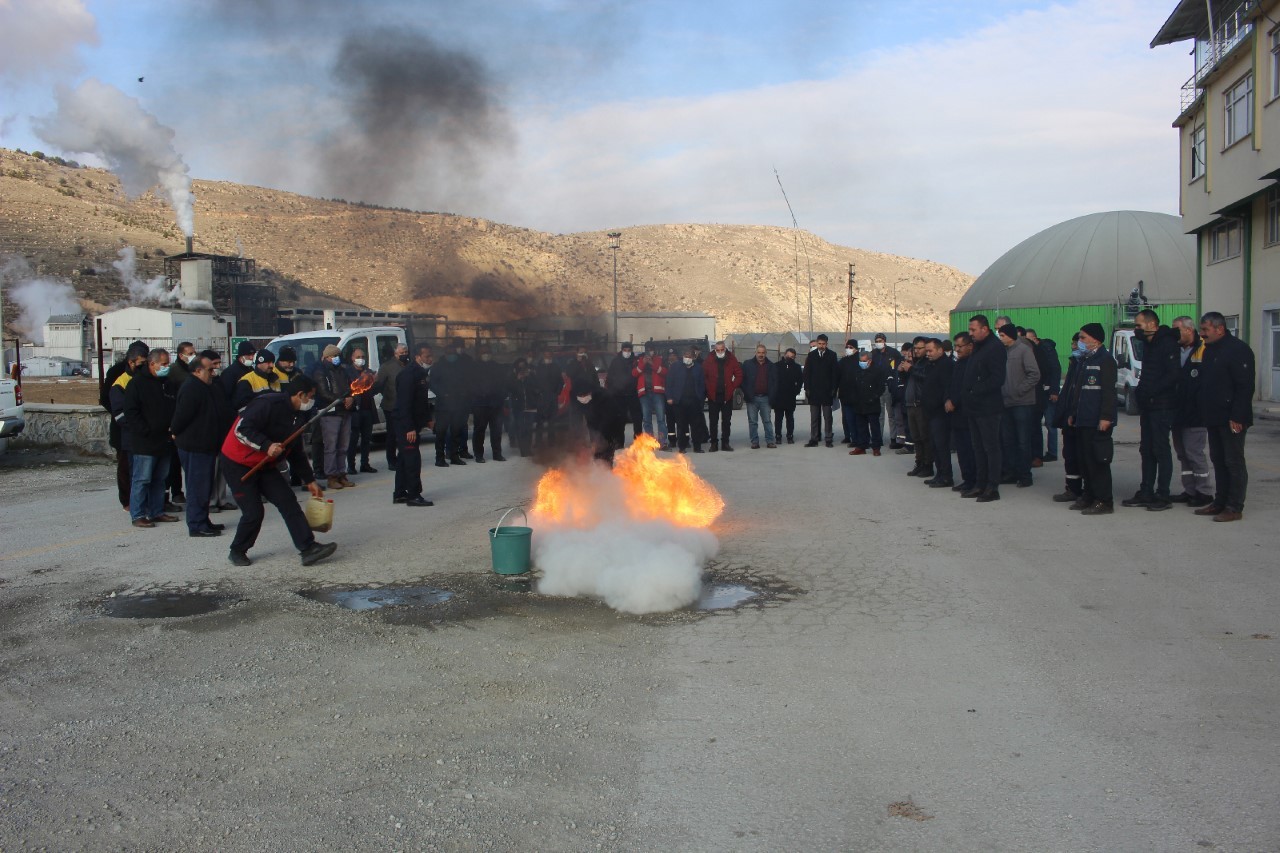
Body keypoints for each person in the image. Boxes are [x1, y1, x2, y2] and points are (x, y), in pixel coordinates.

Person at [220, 375, 337, 566]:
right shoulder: (267, 404)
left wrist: (310, 480)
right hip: (238, 463)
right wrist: (266, 446)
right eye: (311, 396)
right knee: (254, 512)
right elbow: (241, 429)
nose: (312, 402)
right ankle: (237, 550)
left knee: (288, 502)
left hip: (265, 465)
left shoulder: (299, 415)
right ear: (300, 395)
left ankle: (308, 548)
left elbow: (295, 450)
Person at [1193, 312, 1255, 522]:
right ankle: (1220, 502)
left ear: (1219, 329)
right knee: (1218, 460)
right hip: (1214, 416)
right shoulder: (1210, 351)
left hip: (1232, 418)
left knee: (1233, 461)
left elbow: (1244, 387)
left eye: (1205, 330)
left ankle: (1234, 506)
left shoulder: (1238, 350)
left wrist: (1237, 416)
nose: (1202, 334)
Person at [1121, 309, 1181, 512]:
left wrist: (1153, 392)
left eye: (1139, 325)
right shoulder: (1149, 344)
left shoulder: (1167, 343)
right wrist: (1141, 394)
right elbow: (1147, 373)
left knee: (1160, 449)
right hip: (1148, 405)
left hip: (1162, 405)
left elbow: (1173, 375)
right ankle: (1146, 490)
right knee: (1146, 450)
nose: (1136, 329)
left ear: (1152, 325)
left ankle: (1163, 494)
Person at [170, 354, 231, 537]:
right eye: (209, 370)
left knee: (205, 486)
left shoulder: (205, 386)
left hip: (206, 445)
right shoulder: (191, 388)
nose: (213, 373)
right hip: (195, 446)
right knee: (197, 486)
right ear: (197, 371)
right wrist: (175, 431)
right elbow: (181, 417)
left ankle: (204, 520)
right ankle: (196, 524)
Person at [1064, 323, 1117, 515]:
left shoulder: (1105, 360)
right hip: (1083, 419)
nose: (1080, 342)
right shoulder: (1085, 361)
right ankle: (1089, 495)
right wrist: (1073, 414)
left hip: (1097, 422)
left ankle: (1104, 500)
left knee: (1098, 462)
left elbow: (1109, 393)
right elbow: (1078, 392)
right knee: (1085, 461)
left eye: (1083, 338)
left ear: (1095, 340)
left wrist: (1106, 417)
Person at [122, 349, 178, 528]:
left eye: (168, 364)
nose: (166, 367)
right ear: (152, 364)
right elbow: (131, 412)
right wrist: (145, 430)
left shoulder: (166, 383)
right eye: (163, 364)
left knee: (160, 479)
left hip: (164, 439)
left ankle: (157, 511)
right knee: (142, 479)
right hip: (145, 441)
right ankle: (138, 514)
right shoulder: (137, 384)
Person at [962, 315, 1007, 502]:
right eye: (970, 330)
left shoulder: (994, 348)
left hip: (988, 407)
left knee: (991, 447)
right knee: (977, 447)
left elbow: (997, 379)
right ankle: (980, 484)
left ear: (985, 329)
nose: (970, 334)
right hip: (974, 407)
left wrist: (975, 389)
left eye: (973, 330)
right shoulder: (978, 348)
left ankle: (992, 486)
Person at [1169, 316, 1214, 507]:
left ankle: (1204, 492)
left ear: (1188, 330)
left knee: (1194, 453)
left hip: (1196, 414)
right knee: (1182, 454)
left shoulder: (1203, 350)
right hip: (1178, 412)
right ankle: (1190, 490)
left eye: (1176, 329)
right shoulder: (1176, 350)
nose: (1173, 333)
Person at [103, 341, 149, 512]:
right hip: (123, 428)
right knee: (126, 467)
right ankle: (128, 501)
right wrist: (123, 416)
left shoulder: (145, 375)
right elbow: (107, 398)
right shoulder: (117, 374)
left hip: (141, 428)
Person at [998, 323, 1040, 488]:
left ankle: (1025, 475)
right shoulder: (1003, 353)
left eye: (1002, 335)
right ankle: (1011, 472)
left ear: (1010, 336)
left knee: (1023, 440)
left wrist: (1019, 390)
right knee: (1008, 440)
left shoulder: (1024, 350)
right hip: (1006, 402)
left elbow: (1034, 374)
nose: (1000, 339)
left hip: (1022, 402)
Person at [392, 345, 435, 507]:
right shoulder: (409, 375)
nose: (430, 359)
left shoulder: (420, 373)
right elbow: (404, 403)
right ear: (418, 357)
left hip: (412, 422)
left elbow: (421, 402)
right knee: (412, 460)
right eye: (427, 356)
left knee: (404, 459)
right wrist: (409, 427)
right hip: (405, 424)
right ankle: (414, 495)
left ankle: (400, 493)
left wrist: (428, 420)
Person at [1052, 333, 1087, 504]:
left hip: (1082, 417)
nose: (1075, 346)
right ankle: (1072, 488)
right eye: (1074, 342)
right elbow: (1068, 389)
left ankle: (1087, 491)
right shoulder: (1075, 362)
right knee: (1070, 454)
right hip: (1069, 415)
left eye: (1079, 341)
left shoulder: (1092, 362)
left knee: (1084, 455)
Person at [313, 344, 354, 489]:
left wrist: (350, 398)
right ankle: (331, 476)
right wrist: (343, 400)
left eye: (337, 355)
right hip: (330, 412)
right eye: (333, 356)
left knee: (343, 446)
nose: (336, 358)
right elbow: (324, 392)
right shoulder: (321, 371)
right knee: (331, 447)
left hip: (345, 412)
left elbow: (351, 387)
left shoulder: (343, 371)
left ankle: (342, 473)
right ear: (326, 357)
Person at [431, 338, 473, 466]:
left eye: (453, 353)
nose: (452, 355)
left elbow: (467, 381)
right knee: (441, 433)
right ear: (445, 354)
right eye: (450, 353)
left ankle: (455, 456)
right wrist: (443, 393)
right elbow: (432, 383)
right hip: (443, 405)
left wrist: (464, 393)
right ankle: (440, 458)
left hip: (458, 404)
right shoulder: (438, 366)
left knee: (456, 431)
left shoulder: (461, 365)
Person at [921, 338, 955, 487]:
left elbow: (947, 387)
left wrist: (943, 401)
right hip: (930, 411)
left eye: (930, 351)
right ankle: (939, 473)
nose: (927, 354)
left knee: (941, 445)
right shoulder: (930, 365)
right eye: (926, 351)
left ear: (940, 350)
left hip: (940, 412)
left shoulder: (946, 365)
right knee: (934, 444)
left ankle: (946, 476)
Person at [1023, 329, 1061, 463]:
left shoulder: (1046, 350)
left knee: (1050, 423)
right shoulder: (1032, 352)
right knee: (1037, 424)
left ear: (1035, 339)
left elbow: (1055, 369)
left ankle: (1052, 452)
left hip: (1048, 391)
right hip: (1039, 392)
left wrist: (1054, 390)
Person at [944, 332, 976, 491]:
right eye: (955, 346)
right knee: (962, 449)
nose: (957, 349)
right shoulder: (958, 363)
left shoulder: (972, 363)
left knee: (970, 448)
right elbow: (951, 385)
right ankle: (967, 478)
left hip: (967, 412)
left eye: (959, 346)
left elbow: (966, 387)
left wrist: (954, 401)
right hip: (955, 414)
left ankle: (974, 480)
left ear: (970, 346)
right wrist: (948, 399)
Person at [572, 380, 627, 465]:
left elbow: (608, 419)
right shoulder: (580, 400)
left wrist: (598, 437)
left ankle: (607, 469)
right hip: (596, 425)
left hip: (613, 425)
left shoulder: (604, 397)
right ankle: (599, 468)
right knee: (597, 452)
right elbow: (586, 420)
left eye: (584, 395)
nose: (582, 397)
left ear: (590, 392)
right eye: (580, 396)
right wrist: (592, 440)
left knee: (607, 450)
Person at [901, 338, 933, 477]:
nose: (917, 351)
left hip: (920, 404)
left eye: (920, 348)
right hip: (910, 404)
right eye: (915, 348)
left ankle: (928, 465)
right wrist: (902, 371)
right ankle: (919, 462)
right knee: (916, 437)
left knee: (924, 436)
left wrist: (911, 369)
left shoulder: (927, 363)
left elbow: (926, 378)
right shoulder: (915, 363)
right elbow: (908, 381)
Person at [470, 344, 508, 462]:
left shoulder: (497, 367)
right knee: (479, 431)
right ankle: (479, 455)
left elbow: (503, 383)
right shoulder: (473, 368)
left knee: (496, 430)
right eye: (483, 352)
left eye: (487, 352)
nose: (486, 354)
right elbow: (469, 385)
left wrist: (501, 395)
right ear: (478, 354)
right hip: (480, 404)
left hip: (496, 404)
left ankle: (497, 454)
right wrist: (480, 393)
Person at [374, 342, 409, 470]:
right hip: (391, 406)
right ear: (395, 354)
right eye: (401, 353)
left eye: (405, 353)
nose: (404, 355)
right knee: (392, 435)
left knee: (405, 434)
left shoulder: (409, 366)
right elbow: (379, 385)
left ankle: (404, 457)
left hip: (406, 406)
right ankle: (391, 460)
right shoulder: (387, 367)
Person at [703, 341, 742, 452]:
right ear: (715, 350)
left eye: (722, 349)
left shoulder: (731, 359)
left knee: (726, 421)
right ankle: (714, 444)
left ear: (725, 349)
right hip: (713, 396)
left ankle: (725, 443)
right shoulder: (709, 360)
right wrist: (708, 388)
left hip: (727, 396)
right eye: (718, 350)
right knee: (713, 421)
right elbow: (703, 375)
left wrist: (732, 386)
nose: (720, 352)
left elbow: (739, 374)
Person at [666, 347, 707, 453]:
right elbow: (669, 382)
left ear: (693, 357)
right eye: (685, 356)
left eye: (689, 356)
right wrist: (669, 397)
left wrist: (701, 399)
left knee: (696, 425)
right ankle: (682, 447)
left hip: (694, 401)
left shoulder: (698, 368)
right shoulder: (676, 367)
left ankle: (697, 447)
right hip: (679, 401)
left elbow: (702, 384)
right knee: (681, 425)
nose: (687, 358)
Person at [345, 347, 379, 475]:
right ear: (352, 358)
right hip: (355, 410)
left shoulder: (369, 372)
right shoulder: (348, 372)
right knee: (353, 439)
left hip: (367, 409)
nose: (361, 359)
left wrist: (375, 382)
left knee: (366, 439)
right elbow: (348, 390)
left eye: (363, 357)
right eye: (358, 357)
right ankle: (351, 466)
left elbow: (374, 390)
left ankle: (365, 464)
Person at [846, 350, 887, 456]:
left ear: (870, 361)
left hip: (872, 404)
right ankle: (861, 446)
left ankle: (876, 447)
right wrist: (854, 398)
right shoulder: (857, 370)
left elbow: (881, 387)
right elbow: (852, 386)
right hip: (859, 404)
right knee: (861, 427)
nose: (862, 363)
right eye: (860, 361)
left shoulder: (877, 371)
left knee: (874, 427)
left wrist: (874, 397)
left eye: (864, 361)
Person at [802, 334, 839, 447]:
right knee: (814, 417)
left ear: (826, 344)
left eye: (823, 344)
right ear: (817, 343)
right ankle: (814, 438)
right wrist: (807, 388)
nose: (821, 346)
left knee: (828, 417)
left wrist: (834, 388)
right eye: (819, 344)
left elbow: (835, 374)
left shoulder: (832, 355)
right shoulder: (811, 355)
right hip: (814, 392)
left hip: (827, 392)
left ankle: (828, 438)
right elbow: (807, 373)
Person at [740, 344, 777, 449]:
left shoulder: (771, 365)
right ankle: (754, 442)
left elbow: (775, 382)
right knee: (752, 422)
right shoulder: (747, 364)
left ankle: (770, 441)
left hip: (766, 398)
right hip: (752, 398)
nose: (761, 355)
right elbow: (742, 380)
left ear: (766, 353)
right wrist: (746, 393)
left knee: (767, 421)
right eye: (759, 352)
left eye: (763, 352)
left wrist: (772, 395)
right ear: (755, 353)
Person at [632, 346, 669, 449]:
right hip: (644, 393)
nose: (649, 352)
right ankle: (650, 443)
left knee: (661, 418)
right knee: (647, 419)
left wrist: (653, 364)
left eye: (651, 350)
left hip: (657, 393)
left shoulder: (660, 360)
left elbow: (665, 372)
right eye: (648, 350)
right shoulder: (639, 360)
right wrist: (643, 363)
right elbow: (634, 373)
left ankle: (662, 442)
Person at [606, 342, 643, 441]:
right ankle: (619, 441)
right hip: (619, 395)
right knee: (620, 419)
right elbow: (609, 377)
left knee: (637, 419)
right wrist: (611, 391)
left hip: (633, 394)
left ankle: (638, 441)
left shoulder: (635, 361)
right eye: (625, 350)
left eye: (629, 350)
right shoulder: (615, 361)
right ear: (622, 350)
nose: (627, 352)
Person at [508, 357, 539, 457]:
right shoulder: (512, 376)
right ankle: (523, 450)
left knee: (529, 428)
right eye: (520, 366)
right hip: (519, 406)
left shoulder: (531, 376)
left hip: (530, 405)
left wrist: (529, 376)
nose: (522, 368)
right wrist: (518, 379)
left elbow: (536, 387)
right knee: (521, 428)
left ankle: (528, 448)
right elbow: (510, 389)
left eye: (523, 366)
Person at [534, 349, 564, 450]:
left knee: (552, 421)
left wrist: (557, 392)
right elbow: (534, 381)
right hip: (541, 397)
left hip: (552, 397)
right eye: (546, 355)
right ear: (543, 356)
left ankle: (551, 441)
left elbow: (560, 381)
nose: (547, 357)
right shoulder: (539, 367)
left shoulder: (556, 367)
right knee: (540, 421)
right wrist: (538, 391)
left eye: (549, 355)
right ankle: (539, 442)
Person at [836, 340, 862, 445]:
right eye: (847, 347)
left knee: (856, 417)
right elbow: (837, 375)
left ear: (856, 348)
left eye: (851, 347)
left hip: (857, 394)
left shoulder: (860, 360)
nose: (848, 349)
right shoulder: (843, 361)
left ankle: (856, 438)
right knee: (846, 417)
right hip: (845, 393)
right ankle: (848, 436)